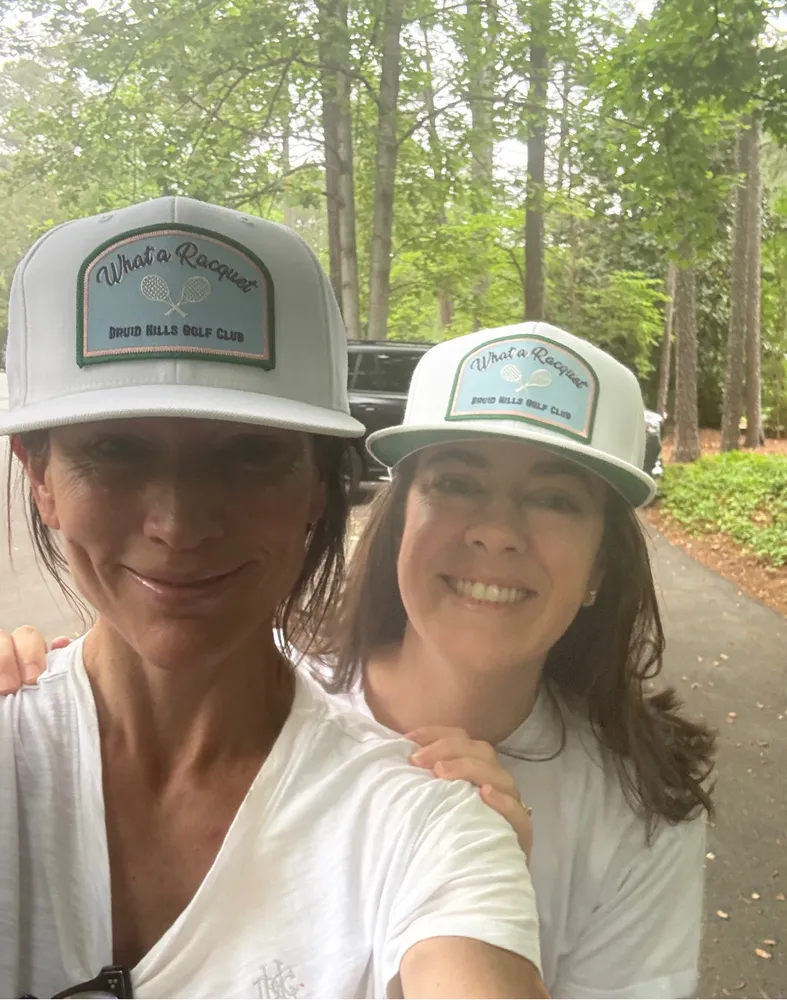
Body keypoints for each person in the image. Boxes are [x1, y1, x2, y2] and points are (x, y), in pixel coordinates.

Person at [2, 317, 714, 991]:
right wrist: (41, 684)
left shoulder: (641, 814)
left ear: (601, 566)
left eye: (554, 500)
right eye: (456, 483)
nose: (496, 532)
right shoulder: (258, 694)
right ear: (399, 520)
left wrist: (490, 888)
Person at [0, 198, 546, 1000]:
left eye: (249, 455)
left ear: (319, 485)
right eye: (115, 450)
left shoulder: (420, 825)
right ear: (41, 477)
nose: (179, 524)